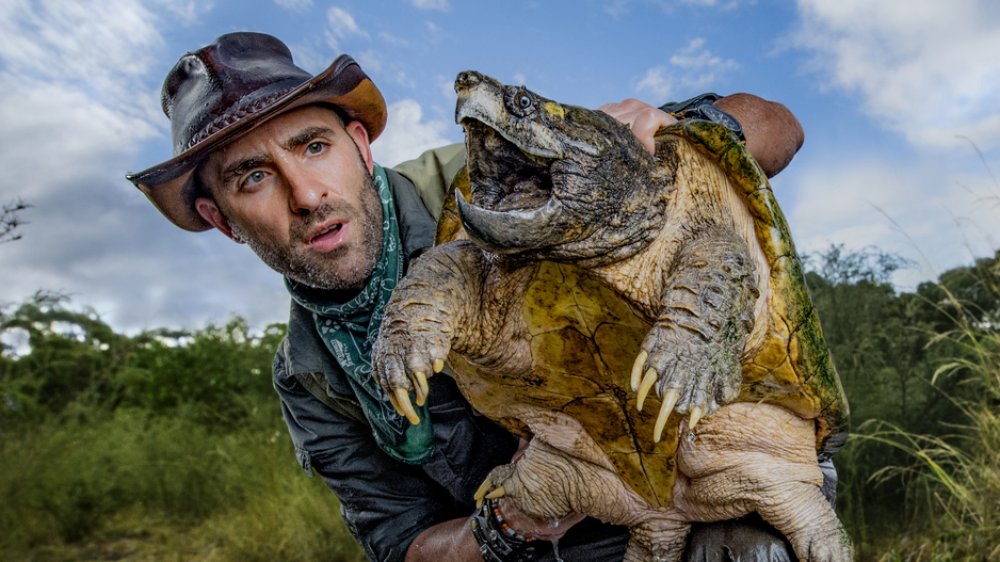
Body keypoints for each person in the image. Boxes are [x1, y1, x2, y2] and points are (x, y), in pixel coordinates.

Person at [127, 32, 813, 562]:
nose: (306, 196)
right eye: (252, 178)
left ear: (360, 146)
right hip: (544, 541)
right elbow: (404, 545)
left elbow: (778, 127)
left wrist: (674, 133)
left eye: (312, 146)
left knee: (753, 547)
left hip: (711, 476)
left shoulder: (497, 182)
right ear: (221, 219)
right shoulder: (311, 377)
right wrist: (519, 514)